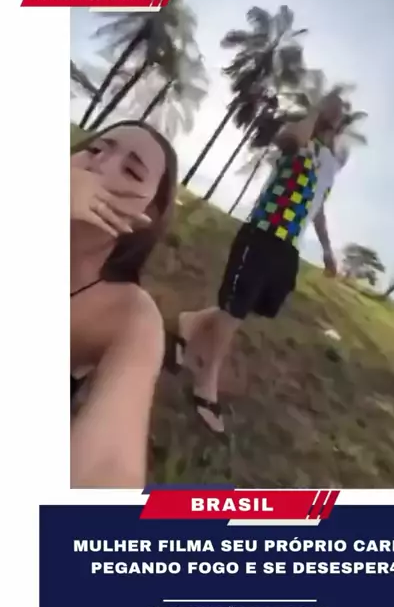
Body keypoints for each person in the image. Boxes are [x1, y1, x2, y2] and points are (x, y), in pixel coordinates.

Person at [167, 91, 352, 434]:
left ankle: (190, 322)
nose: (338, 113)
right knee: (236, 308)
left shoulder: (329, 165)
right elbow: (288, 139)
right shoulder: (299, 139)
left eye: (341, 113)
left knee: (254, 305)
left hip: (289, 247)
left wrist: (327, 250)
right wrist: (316, 108)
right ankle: (206, 381)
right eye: (334, 107)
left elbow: (317, 210)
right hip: (264, 231)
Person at [70, 120, 178, 488]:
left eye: (132, 171)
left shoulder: (131, 317)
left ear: (149, 218)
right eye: (94, 149)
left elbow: (109, 468)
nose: (99, 165)